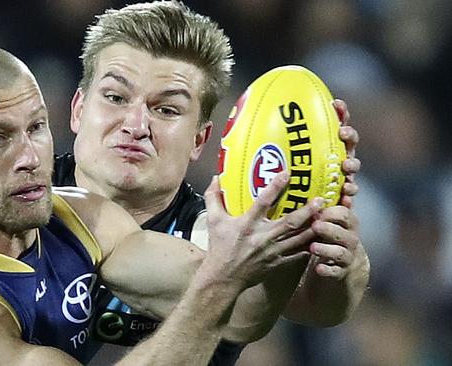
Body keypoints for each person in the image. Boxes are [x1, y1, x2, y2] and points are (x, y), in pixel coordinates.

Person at [0, 43, 325, 366]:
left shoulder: (77, 216)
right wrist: (220, 284)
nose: (30, 156)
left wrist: (293, 216)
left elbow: (241, 315)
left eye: (35, 127)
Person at [53, 2, 369, 364]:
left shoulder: (219, 234)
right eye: (115, 98)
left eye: (166, 110)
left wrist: (334, 253)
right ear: (78, 109)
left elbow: (318, 307)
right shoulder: (19, 201)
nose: (136, 125)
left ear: (199, 141)